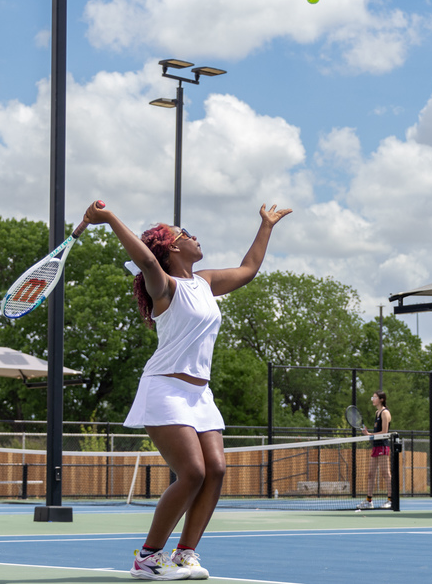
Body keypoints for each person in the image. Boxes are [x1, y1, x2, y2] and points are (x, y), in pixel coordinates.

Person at [83, 200, 291, 581]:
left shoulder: (205, 282)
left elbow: (248, 270)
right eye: (185, 234)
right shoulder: (164, 286)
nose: (195, 236)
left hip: (200, 395)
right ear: (173, 247)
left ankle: (185, 554)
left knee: (216, 470)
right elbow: (147, 262)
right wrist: (111, 217)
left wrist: (266, 226)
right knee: (192, 472)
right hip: (165, 388)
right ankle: (147, 557)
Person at [356, 390, 391, 509]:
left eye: (375, 397)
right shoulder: (377, 413)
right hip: (376, 446)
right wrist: (367, 434)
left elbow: (384, 432)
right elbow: (376, 432)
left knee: (385, 473)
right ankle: (369, 501)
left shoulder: (385, 413)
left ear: (381, 399)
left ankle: (391, 500)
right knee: (370, 474)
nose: (372, 399)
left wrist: (369, 434)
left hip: (383, 446)